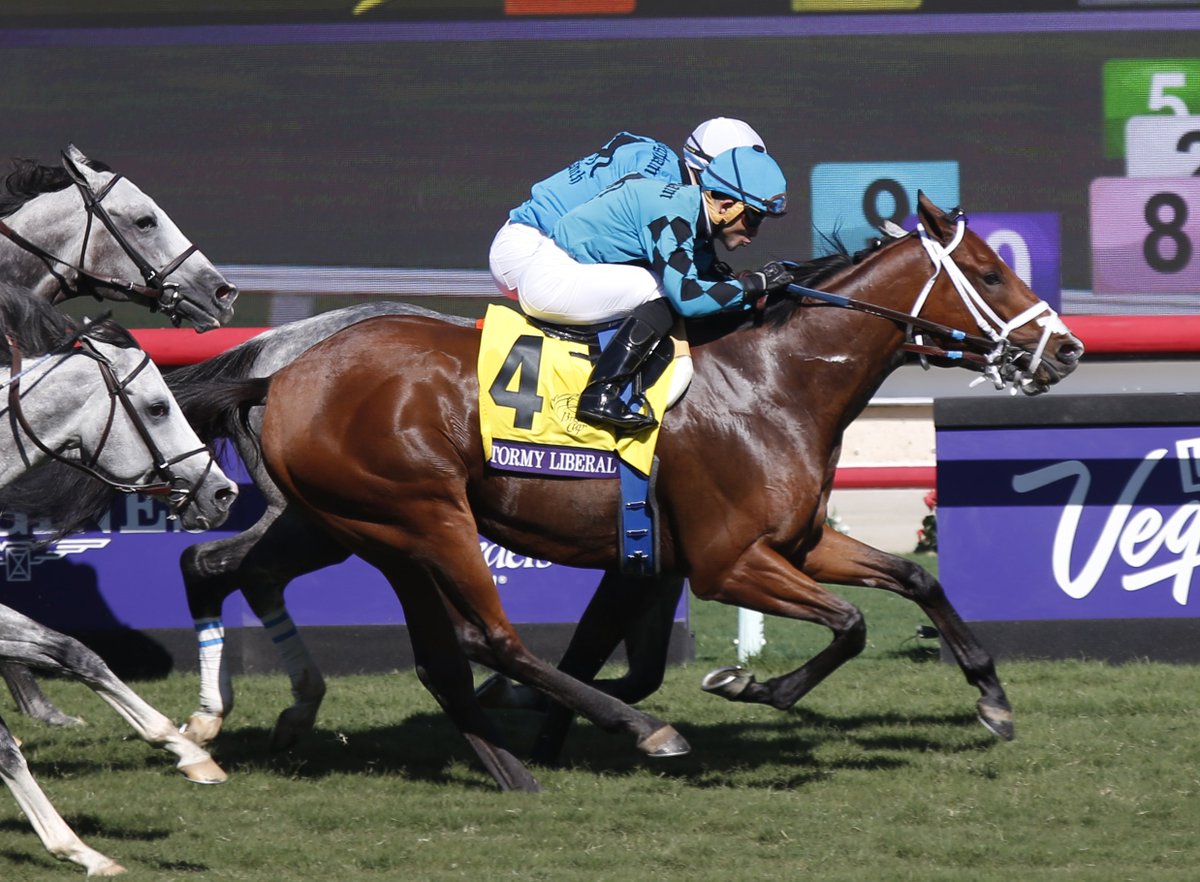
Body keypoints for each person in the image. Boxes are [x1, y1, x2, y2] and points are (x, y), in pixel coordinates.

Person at [518, 144, 794, 434]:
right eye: (752, 218)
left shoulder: (687, 208)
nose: (754, 231)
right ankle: (601, 394)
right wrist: (756, 284)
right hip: (551, 280)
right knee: (663, 290)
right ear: (724, 206)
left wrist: (752, 292)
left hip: (565, 271)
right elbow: (688, 298)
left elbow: (712, 280)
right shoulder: (673, 214)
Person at [489, 118, 766, 301]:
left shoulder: (662, 159)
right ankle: (608, 387)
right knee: (664, 290)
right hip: (532, 255)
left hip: (527, 241)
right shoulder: (665, 189)